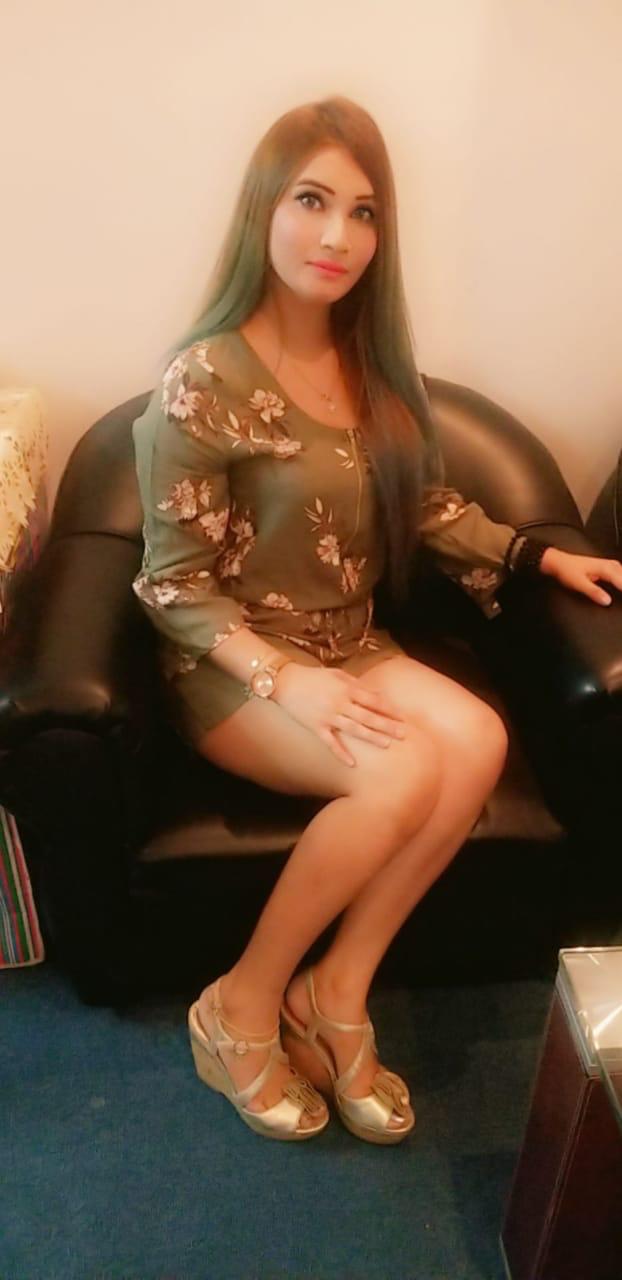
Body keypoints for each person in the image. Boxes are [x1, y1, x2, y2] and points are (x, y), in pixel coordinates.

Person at [131, 95, 622, 1144]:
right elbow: (173, 588)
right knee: (401, 773)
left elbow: (425, 505)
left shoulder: (370, 365)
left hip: (349, 641)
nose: (338, 235)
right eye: (311, 200)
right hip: (235, 664)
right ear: (264, 209)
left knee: (478, 739)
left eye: (363, 211)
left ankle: (335, 991)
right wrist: (287, 680)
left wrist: (536, 553)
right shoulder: (203, 379)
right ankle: (240, 1004)